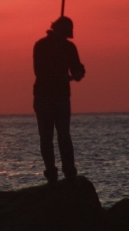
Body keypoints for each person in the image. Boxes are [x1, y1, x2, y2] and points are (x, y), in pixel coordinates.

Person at [33, 15, 85, 186]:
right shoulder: (41, 46)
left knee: (64, 136)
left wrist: (78, 73)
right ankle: (51, 173)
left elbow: (76, 66)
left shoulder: (69, 47)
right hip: (44, 97)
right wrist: (59, 76)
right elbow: (39, 71)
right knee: (46, 137)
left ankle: (69, 171)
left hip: (62, 97)